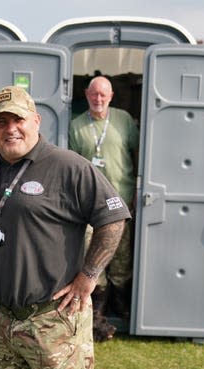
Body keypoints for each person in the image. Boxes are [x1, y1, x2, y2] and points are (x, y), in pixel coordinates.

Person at [0, 86, 131, 369]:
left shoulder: (68, 166)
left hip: (55, 320)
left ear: (35, 120)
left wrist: (88, 276)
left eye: (18, 120)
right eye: (1, 122)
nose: (10, 129)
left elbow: (113, 218)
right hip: (6, 320)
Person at [69, 75, 139, 341]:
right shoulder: (76, 126)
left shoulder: (124, 121)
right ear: (87, 94)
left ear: (111, 97)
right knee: (92, 258)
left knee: (121, 260)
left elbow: (136, 153)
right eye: (94, 94)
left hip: (120, 202)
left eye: (103, 95)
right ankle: (97, 316)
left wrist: (135, 190)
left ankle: (120, 305)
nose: (98, 99)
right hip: (88, 205)